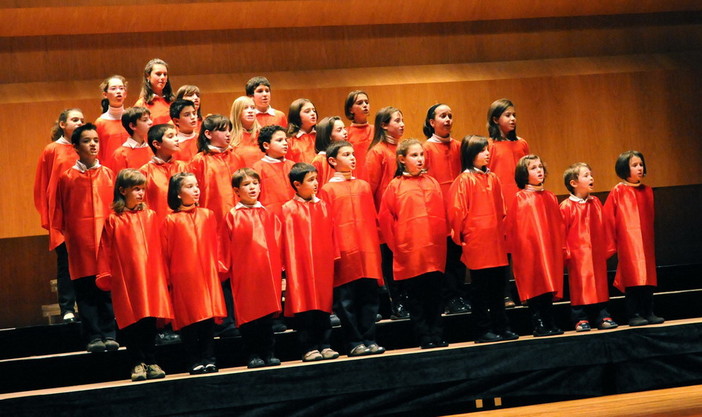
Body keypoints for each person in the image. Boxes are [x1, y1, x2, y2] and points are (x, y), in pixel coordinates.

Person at [96, 169, 172, 381]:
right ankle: (137, 362)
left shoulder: (150, 216)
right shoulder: (113, 220)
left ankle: (151, 360)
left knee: (149, 319)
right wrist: (106, 275)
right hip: (126, 280)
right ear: (122, 190)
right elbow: (106, 249)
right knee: (131, 321)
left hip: (149, 277)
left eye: (143, 189)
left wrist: (163, 275)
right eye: (136, 189)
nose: (141, 194)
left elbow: (159, 247)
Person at [52, 123, 117, 352]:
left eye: (96, 140)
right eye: (87, 141)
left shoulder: (108, 174)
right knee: (85, 289)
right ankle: (93, 336)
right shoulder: (67, 178)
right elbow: (59, 211)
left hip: (105, 240)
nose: (93, 144)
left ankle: (110, 332)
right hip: (80, 243)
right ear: (76, 147)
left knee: (106, 288)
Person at [448, 136, 518, 343]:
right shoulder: (463, 180)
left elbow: (502, 209)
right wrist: (464, 238)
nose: (487, 154)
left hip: (496, 241)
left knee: (498, 287)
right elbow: (456, 212)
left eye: (487, 150)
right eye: (482, 151)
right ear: (471, 155)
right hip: (477, 242)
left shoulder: (493, 178)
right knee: (480, 289)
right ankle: (482, 330)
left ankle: (501, 326)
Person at [378, 139, 448, 349]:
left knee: (435, 296)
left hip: (434, 251)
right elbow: (386, 220)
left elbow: (441, 216)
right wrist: (398, 246)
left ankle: (437, 333)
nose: (419, 159)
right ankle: (424, 335)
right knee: (416, 298)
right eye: (414, 155)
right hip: (411, 251)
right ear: (401, 159)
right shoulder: (395, 186)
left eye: (421, 155)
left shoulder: (432, 182)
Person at [318, 141, 385, 357]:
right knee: (346, 303)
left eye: (353, 154)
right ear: (332, 161)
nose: (352, 158)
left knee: (369, 299)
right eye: (346, 154)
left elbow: (372, 220)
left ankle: (370, 339)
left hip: (367, 251)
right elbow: (327, 225)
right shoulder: (327, 190)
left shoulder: (363, 186)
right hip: (344, 253)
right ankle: (354, 342)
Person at [162, 173, 227, 374]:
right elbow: (166, 251)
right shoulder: (169, 220)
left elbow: (216, 244)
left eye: (197, 185)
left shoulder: (207, 215)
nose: (196, 189)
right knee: (189, 318)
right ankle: (194, 359)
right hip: (184, 276)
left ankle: (209, 357)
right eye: (190, 186)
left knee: (207, 318)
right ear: (178, 194)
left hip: (206, 274)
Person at [220, 168, 283, 368]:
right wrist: (227, 271)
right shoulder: (232, 216)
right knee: (249, 316)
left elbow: (278, 241)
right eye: (247, 185)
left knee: (266, 316)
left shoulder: (268, 213)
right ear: (236, 191)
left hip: (267, 272)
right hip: (244, 274)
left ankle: (269, 351)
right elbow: (225, 246)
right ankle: (253, 354)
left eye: (255, 183)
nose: (252, 188)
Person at [281, 163, 339, 361]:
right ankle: (309, 347)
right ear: (297, 184)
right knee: (304, 306)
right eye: (311, 180)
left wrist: (334, 257)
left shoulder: (323, 205)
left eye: (316, 179)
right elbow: (286, 240)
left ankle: (325, 344)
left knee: (323, 306)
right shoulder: (288, 209)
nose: (316, 184)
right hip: (300, 267)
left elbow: (332, 234)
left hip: (322, 265)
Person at [505, 155, 565, 337]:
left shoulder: (550, 197)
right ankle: (538, 322)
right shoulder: (520, 197)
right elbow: (516, 228)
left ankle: (549, 320)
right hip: (530, 251)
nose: (539, 170)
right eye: (533, 168)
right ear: (524, 174)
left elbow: (557, 225)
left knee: (549, 284)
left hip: (548, 248)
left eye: (540, 167)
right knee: (535, 283)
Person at [34, 108, 84, 323]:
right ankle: (67, 308)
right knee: (66, 263)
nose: (80, 123)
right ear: (63, 124)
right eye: (75, 120)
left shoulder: (87, 147)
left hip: (85, 216)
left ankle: (87, 307)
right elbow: (42, 185)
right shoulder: (52, 150)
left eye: (82, 120)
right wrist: (50, 216)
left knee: (88, 266)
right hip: (63, 217)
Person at [604, 151, 663, 326]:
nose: (639, 168)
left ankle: (648, 311)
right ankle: (634, 313)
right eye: (634, 165)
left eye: (641, 164)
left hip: (645, 242)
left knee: (648, 277)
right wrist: (613, 244)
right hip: (628, 242)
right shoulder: (618, 191)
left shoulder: (647, 191)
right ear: (624, 169)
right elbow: (608, 218)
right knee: (633, 277)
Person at [423, 103, 469, 315]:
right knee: (444, 257)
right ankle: (448, 298)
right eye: (443, 116)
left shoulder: (460, 147)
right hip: (437, 210)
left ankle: (458, 295)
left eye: (450, 115)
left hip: (458, 208)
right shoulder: (426, 149)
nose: (448, 120)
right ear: (432, 122)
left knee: (458, 256)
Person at [561, 163, 618, 332]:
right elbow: (561, 233)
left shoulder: (596, 203)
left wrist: (606, 248)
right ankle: (580, 317)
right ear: (573, 183)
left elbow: (604, 226)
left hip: (595, 253)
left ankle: (602, 314)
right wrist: (566, 253)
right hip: (577, 256)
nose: (591, 178)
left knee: (600, 284)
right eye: (586, 176)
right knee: (580, 286)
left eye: (590, 175)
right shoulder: (566, 207)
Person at [486, 98, 530, 308]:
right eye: (507, 115)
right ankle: (504, 294)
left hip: (522, 204)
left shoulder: (521, 144)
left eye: (514, 115)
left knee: (524, 250)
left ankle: (527, 292)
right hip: (500, 206)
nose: (512, 119)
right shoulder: (489, 146)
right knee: (504, 254)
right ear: (495, 119)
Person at [366, 106, 408, 319]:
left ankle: (408, 301)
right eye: (397, 120)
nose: (402, 124)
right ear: (383, 125)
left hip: (406, 217)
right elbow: (370, 190)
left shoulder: (404, 149)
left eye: (402, 120)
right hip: (386, 220)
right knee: (391, 263)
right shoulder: (377, 152)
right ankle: (396, 303)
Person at [188, 114, 242, 227]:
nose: (228, 134)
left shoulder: (236, 157)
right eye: (222, 130)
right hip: (212, 217)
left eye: (229, 130)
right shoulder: (199, 160)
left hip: (238, 215)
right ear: (208, 134)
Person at [140, 124, 188, 223]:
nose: (176, 139)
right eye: (171, 136)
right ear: (157, 144)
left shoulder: (183, 167)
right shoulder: (145, 172)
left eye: (176, 135)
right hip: (157, 224)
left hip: (182, 223)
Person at [252, 125, 295, 218]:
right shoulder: (258, 168)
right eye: (279, 140)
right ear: (266, 145)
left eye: (285, 140)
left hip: (292, 216)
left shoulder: (293, 166)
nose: (285, 143)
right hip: (269, 217)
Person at [96, 75, 129, 165]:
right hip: (110, 170)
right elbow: (98, 152)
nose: (118, 91)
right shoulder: (100, 122)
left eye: (121, 88)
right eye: (113, 88)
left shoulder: (132, 119)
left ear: (125, 94)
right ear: (105, 94)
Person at [108, 107, 152, 171]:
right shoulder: (120, 154)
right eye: (145, 120)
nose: (151, 122)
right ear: (132, 126)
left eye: (149, 119)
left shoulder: (152, 149)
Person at [134, 58, 174, 125]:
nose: (162, 77)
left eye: (165, 74)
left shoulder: (174, 101)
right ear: (148, 76)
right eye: (158, 74)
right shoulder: (141, 104)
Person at [344, 90, 372, 180]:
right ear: (350, 109)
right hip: (355, 178)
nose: (365, 105)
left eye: (366, 102)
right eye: (360, 103)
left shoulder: (377, 130)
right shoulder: (345, 133)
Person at [311, 116, 348, 185]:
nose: (345, 132)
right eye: (339, 130)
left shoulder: (346, 157)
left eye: (344, 128)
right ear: (329, 136)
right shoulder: (319, 160)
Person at [229, 95, 263, 167]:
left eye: (253, 108)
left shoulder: (263, 134)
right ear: (237, 112)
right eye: (245, 108)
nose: (250, 111)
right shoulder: (228, 137)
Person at [286, 98, 318, 163]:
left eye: (314, 110)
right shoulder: (289, 141)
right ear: (296, 116)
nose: (313, 113)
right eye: (307, 111)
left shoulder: (321, 135)